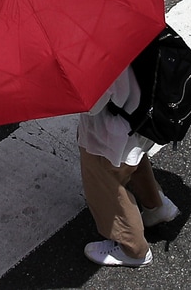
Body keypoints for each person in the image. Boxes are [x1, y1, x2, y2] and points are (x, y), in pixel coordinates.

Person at [77, 64, 180, 267]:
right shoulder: (123, 37)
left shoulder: (91, 62)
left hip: (109, 137)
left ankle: (134, 250)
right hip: (140, 120)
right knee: (133, 165)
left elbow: (92, 106)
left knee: (106, 186)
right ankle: (156, 206)